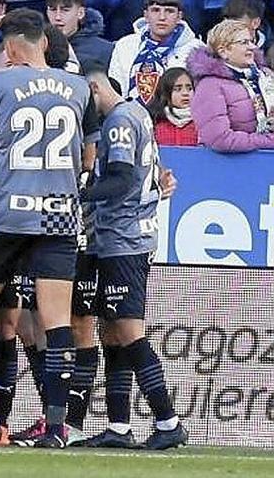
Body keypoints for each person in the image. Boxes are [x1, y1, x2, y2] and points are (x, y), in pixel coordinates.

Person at [0, 8, 99, 449]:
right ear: (45, 40)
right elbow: (87, 160)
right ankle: (57, 426)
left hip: (5, 213)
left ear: (9, 47)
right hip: (59, 214)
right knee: (58, 320)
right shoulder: (79, 88)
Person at [82, 67, 188, 450]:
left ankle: (168, 421)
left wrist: (79, 192)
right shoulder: (138, 112)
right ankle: (119, 426)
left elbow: (123, 179)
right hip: (123, 237)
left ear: (95, 89)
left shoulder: (119, 121)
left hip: (124, 238)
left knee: (129, 332)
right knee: (111, 333)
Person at [188, 19, 274, 152]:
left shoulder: (265, 76)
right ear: (223, 51)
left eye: (251, 41)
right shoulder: (209, 86)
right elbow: (219, 139)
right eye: (244, 42)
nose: (252, 47)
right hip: (230, 167)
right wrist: (268, 141)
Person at [108, 0, 204, 105]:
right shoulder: (125, 45)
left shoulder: (196, 49)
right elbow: (115, 91)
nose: (162, 17)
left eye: (169, 11)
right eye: (155, 10)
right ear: (146, 15)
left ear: (179, 16)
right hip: (130, 116)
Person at [46, 0, 114, 72]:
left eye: (65, 10)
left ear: (80, 13)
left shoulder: (105, 50)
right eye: (53, 10)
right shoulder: (39, 47)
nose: (57, 17)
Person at [146, 67, 197, 146]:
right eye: (178, 89)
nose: (185, 93)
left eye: (189, 88)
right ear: (166, 93)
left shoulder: (202, 121)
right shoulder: (153, 121)